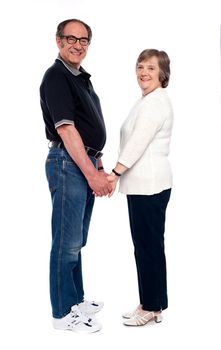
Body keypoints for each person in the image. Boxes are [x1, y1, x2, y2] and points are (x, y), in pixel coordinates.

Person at [40, 19, 112, 333]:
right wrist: (92, 173)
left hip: (83, 163)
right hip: (68, 163)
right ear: (58, 41)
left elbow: (88, 128)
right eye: (71, 38)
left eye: (84, 40)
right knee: (66, 243)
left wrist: (98, 165)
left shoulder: (80, 78)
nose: (78, 45)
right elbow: (67, 130)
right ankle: (61, 314)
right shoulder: (57, 76)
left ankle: (75, 299)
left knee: (76, 241)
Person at [108, 49, 173, 326]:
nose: (143, 72)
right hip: (143, 185)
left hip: (149, 185)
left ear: (162, 74)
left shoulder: (155, 103)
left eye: (150, 68)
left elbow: (138, 141)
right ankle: (151, 302)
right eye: (140, 66)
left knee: (148, 247)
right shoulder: (147, 100)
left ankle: (152, 305)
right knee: (147, 246)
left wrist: (114, 172)